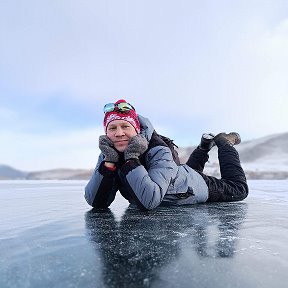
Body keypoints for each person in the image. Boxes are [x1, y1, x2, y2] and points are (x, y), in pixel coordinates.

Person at [84, 99, 248, 210]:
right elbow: (97, 202)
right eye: (112, 128)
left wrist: (131, 158)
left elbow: (150, 200)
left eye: (125, 126)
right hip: (176, 178)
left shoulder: (158, 149)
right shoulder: (109, 154)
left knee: (238, 189)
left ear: (136, 129)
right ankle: (205, 146)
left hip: (193, 186)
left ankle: (224, 142)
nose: (119, 133)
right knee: (191, 170)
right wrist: (109, 164)